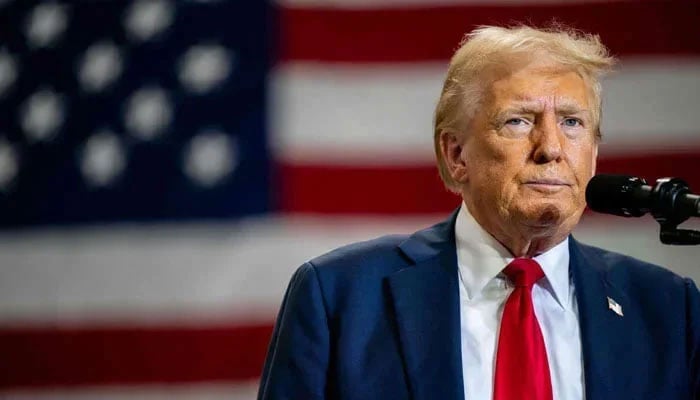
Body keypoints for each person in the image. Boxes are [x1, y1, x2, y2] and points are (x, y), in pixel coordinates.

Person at [257, 25, 700, 400]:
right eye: (518, 121)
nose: (551, 148)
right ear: (456, 155)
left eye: (572, 122)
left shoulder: (666, 308)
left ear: (595, 154)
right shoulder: (341, 296)